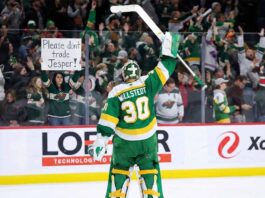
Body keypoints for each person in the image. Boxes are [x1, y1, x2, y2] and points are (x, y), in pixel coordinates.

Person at [87, 32, 180, 198]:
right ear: (138, 74)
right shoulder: (147, 82)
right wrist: (170, 47)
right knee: (151, 178)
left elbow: (108, 121)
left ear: (124, 76)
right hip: (147, 143)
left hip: (124, 144)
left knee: (118, 176)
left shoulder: (116, 91)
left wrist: (100, 142)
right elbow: (167, 65)